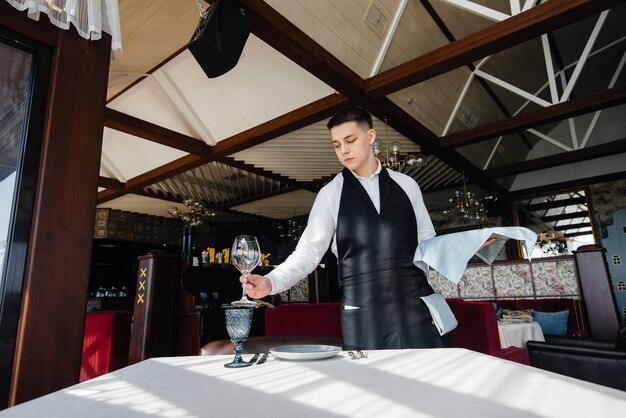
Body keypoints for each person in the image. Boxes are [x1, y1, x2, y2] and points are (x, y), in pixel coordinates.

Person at [241, 106, 449, 350]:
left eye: (350, 140)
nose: (344, 150)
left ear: (370, 137)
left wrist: (468, 247)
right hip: (364, 312)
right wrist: (270, 281)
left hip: (417, 306)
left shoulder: (407, 185)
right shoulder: (330, 194)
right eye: (337, 144)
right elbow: (308, 253)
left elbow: (427, 243)